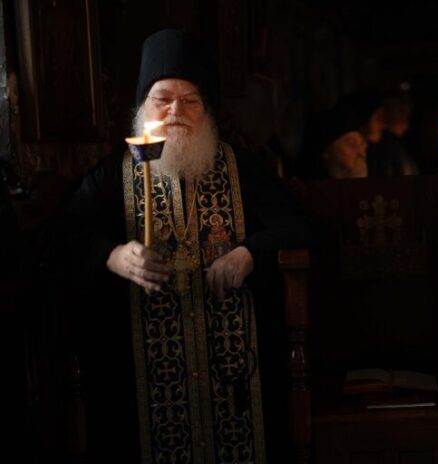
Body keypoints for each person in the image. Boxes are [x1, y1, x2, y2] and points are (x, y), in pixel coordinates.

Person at [68, 29, 311, 463]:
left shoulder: (242, 168)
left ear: (207, 111)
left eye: (190, 100)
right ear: (143, 107)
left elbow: (300, 224)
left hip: (235, 382)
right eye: (162, 99)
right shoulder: (109, 178)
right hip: (141, 394)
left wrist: (249, 252)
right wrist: (113, 256)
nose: (176, 111)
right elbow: (65, 237)